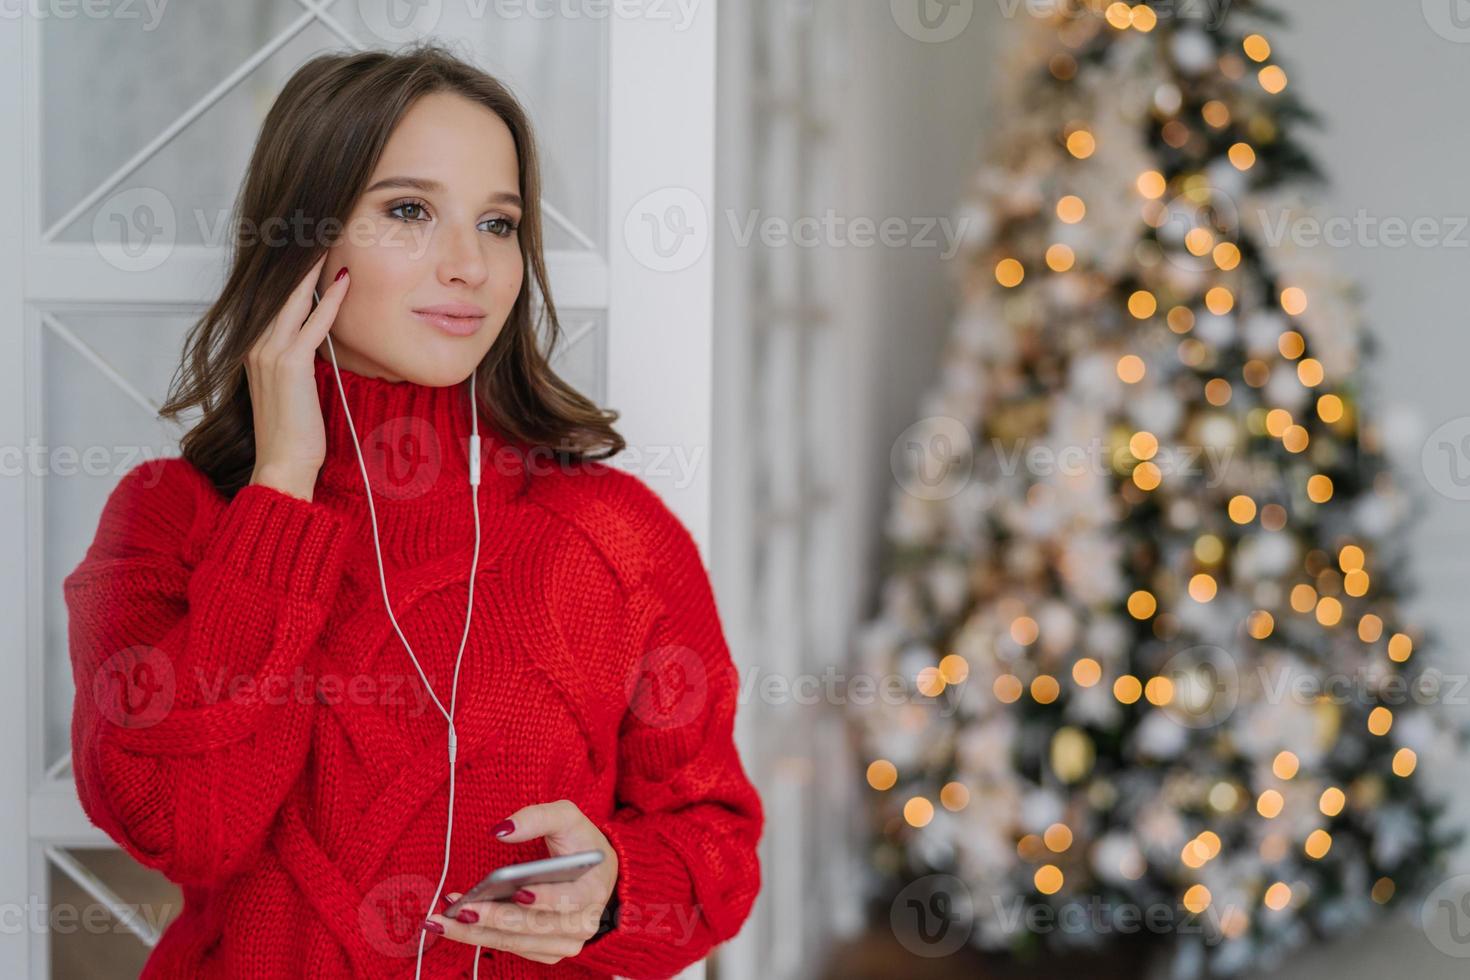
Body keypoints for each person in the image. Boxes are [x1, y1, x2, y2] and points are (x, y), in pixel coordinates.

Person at [63, 40, 762, 979]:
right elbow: (183, 829)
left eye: (500, 223)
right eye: (409, 211)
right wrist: (282, 486)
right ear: (304, 239)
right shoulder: (167, 519)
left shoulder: (615, 534)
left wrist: (614, 891)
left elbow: (718, 850)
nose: (470, 265)